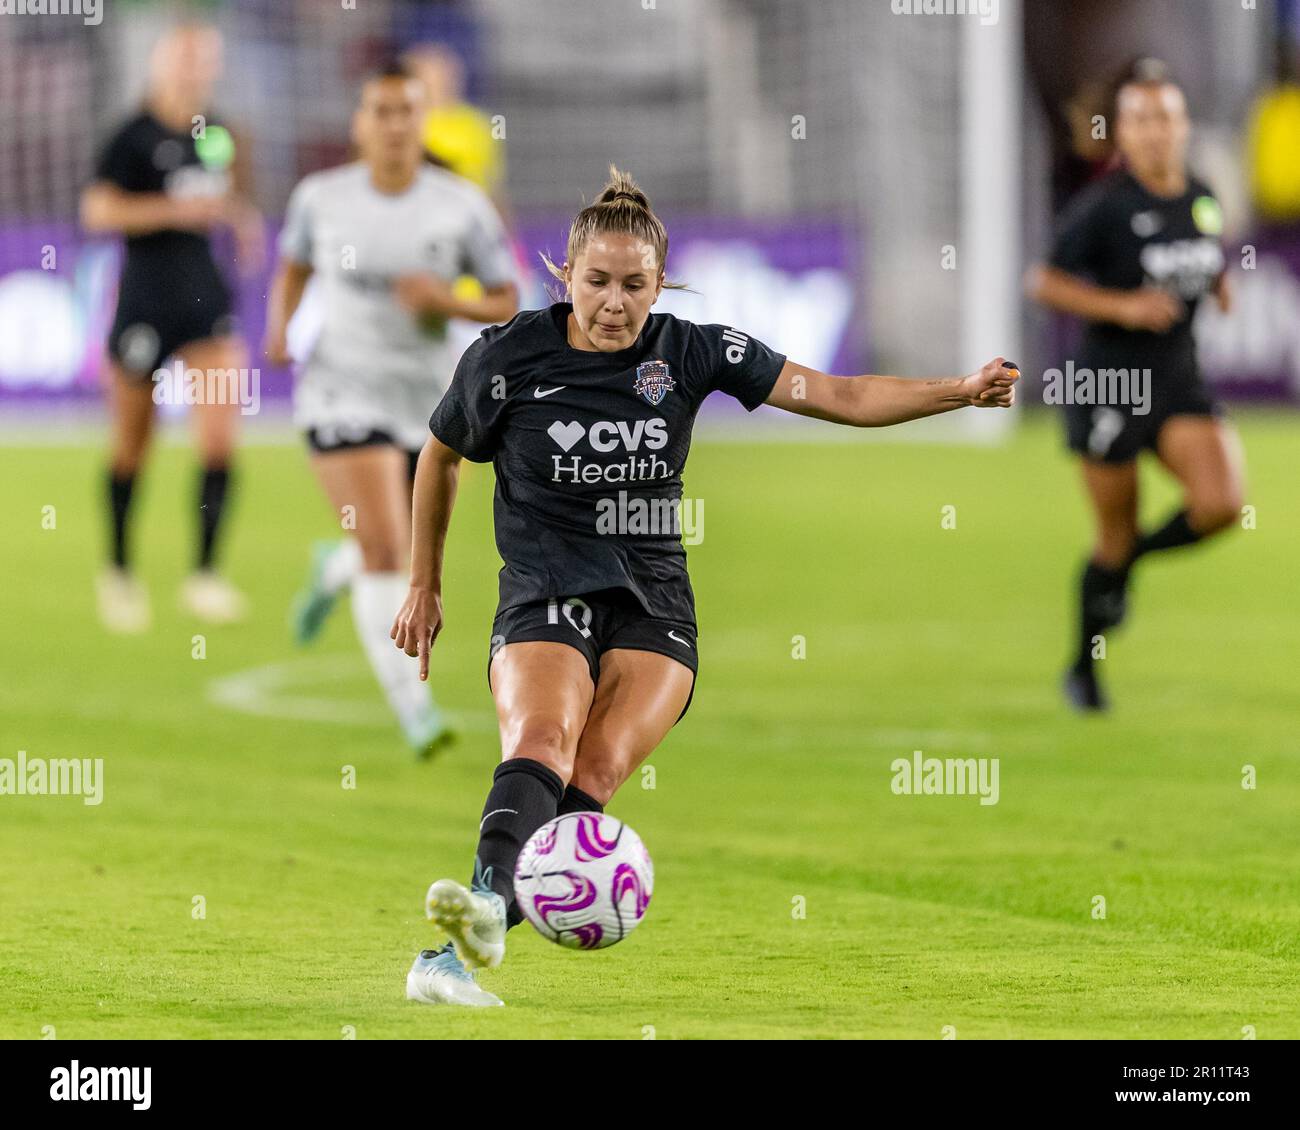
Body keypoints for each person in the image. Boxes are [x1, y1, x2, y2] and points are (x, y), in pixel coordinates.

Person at [390, 167, 1017, 1006]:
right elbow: (440, 454)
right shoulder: (508, 356)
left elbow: (838, 392)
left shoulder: (693, 350)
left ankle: (490, 919)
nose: (614, 303)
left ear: (661, 282)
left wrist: (959, 392)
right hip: (545, 588)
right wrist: (423, 583)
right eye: (597, 282)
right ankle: (464, 938)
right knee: (542, 736)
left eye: (634, 285)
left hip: (655, 602)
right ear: (564, 275)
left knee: (599, 771)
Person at [264, 63, 518, 757]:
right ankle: (416, 712)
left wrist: (445, 301)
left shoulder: (461, 204)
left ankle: (334, 568)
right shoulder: (320, 197)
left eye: (409, 111)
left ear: (423, 122)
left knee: (394, 547)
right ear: (360, 123)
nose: (395, 124)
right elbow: (292, 266)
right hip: (340, 390)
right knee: (389, 548)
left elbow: (506, 298)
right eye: (382, 110)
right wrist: (280, 327)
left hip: (432, 402)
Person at [1026, 64, 1244, 711]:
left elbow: (1202, 251)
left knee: (1222, 505)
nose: (1155, 132)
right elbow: (1044, 283)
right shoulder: (1105, 206)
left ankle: (1127, 570)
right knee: (1111, 534)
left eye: (1166, 118)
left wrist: (1218, 281)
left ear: (1183, 127)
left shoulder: (1202, 195)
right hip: (1108, 384)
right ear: (1121, 130)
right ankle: (1083, 669)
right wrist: (1123, 307)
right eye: (1141, 120)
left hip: (1178, 377)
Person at [82, 23, 262, 631]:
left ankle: (205, 575)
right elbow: (97, 209)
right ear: (161, 63)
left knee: (218, 439)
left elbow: (225, 195)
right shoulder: (131, 137)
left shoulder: (216, 132)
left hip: (205, 303)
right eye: (183, 59)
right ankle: (119, 569)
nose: (193, 71)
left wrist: (240, 221)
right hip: (143, 306)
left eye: (203, 61)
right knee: (134, 445)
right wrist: (172, 210)